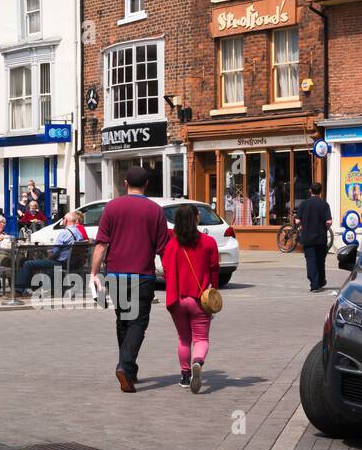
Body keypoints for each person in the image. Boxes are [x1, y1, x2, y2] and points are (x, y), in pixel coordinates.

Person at [90, 165, 168, 393]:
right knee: (137, 323)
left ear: (125, 183)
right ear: (146, 185)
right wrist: (173, 275)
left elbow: (101, 245)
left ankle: (129, 370)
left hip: (115, 274)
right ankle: (125, 365)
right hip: (142, 275)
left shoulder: (112, 207)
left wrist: (94, 273)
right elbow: (164, 249)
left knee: (123, 319)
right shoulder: (155, 211)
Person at [163, 204, 219, 393]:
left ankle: (185, 376)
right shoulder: (209, 242)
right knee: (201, 338)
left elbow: (166, 271)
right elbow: (214, 270)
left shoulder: (171, 245)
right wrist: (214, 292)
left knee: (183, 338)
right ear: (196, 218)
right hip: (199, 299)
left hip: (177, 299)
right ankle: (198, 362)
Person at [15, 210, 86, 292]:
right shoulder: (78, 232)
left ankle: (19, 290)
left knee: (28, 263)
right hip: (73, 263)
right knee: (35, 262)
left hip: (61, 263)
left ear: (66, 220)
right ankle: (33, 288)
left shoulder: (64, 233)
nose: (62, 220)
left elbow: (54, 252)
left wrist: (48, 256)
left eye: (63, 219)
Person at [295, 182, 334, 292]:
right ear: (320, 192)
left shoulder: (303, 204)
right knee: (320, 261)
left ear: (310, 191)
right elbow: (329, 222)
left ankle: (314, 283)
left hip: (307, 237)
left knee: (310, 260)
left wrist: (301, 227)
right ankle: (321, 281)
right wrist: (325, 227)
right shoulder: (324, 204)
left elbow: (297, 220)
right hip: (321, 237)